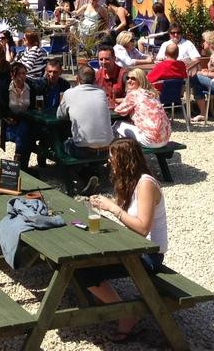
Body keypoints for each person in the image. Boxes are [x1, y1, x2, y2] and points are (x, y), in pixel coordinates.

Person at [81, 138, 168, 343]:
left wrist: (113, 208)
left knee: (85, 271)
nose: (109, 161)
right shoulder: (130, 181)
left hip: (149, 254)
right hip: (133, 247)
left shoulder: (145, 184)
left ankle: (127, 315)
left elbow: (142, 227)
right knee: (84, 262)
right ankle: (111, 308)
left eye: (112, 157)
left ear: (125, 160)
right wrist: (107, 204)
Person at [57, 66, 114, 160]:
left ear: (77, 79)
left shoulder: (69, 93)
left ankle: (69, 171)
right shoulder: (101, 92)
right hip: (106, 150)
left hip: (82, 151)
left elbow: (59, 115)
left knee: (62, 143)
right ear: (95, 79)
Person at [114, 69, 171, 148]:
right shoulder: (152, 94)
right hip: (165, 139)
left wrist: (113, 104)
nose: (129, 81)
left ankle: (122, 155)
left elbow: (119, 111)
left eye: (133, 78)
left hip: (150, 141)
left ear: (140, 80)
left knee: (117, 125)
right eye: (128, 78)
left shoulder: (134, 94)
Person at [2, 62, 36, 167]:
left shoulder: (30, 87)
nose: (23, 76)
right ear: (13, 75)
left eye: (24, 73)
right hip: (11, 123)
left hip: (26, 121)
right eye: (20, 74)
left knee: (25, 128)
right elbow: (1, 109)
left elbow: (33, 107)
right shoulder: (6, 88)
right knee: (25, 134)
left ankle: (18, 158)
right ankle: (22, 165)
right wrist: (7, 118)